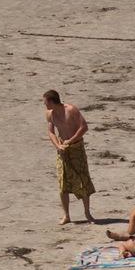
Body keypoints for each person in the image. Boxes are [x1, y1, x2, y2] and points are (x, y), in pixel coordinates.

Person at [43, 90, 93, 224]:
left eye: (46, 102)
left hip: (76, 148)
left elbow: (84, 127)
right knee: (62, 182)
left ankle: (87, 213)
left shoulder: (71, 110)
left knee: (83, 179)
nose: (44, 105)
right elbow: (51, 132)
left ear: (53, 101)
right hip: (62, 149)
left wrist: (70, 140)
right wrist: (57, 146)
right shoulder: (50, 114)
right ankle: (66, 215)